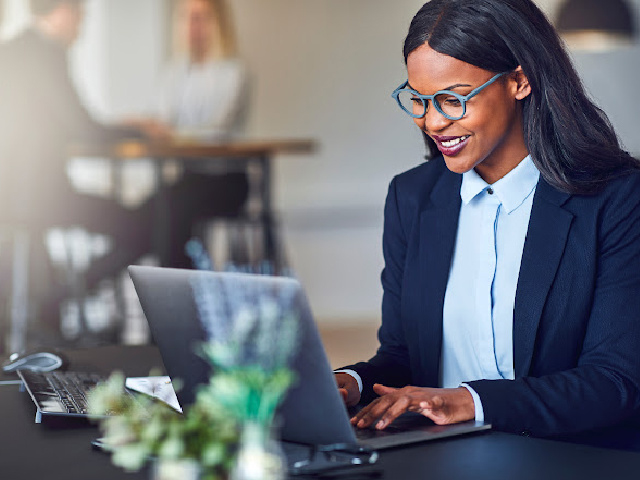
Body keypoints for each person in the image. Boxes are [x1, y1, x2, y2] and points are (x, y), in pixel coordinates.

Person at [335, 0, 640, 448]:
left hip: (569, 457)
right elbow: (404, 357)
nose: (433, 122)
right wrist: (350, 383)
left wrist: (469, 402)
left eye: (453, 99)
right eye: (419, 100)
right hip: (439, 454)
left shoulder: (616, 199)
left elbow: (616, 381)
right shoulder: (412, 198)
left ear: (519, 80)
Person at [0, 0, 153, 336]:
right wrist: (140, 128)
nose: (82, 22)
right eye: (80, 13)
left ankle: (57, 297)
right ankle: (64, 294)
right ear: (61, 10)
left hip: (9, 201)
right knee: (147, 224)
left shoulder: (9, 51)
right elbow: (85, 130)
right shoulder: (47, 55)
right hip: (42, 200)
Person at [131, 0, 249, 270]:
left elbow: (217, 128)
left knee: (165, 215)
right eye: (187, 18)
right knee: (141, 218)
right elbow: (159, 119)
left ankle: (182, 296)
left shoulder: (234, 72)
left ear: (217, 23)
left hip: (225, 181)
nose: (193, 27)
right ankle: (80, 282)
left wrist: (167, 132)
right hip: (187, 179)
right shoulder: (174, 73)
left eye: (201, 18)